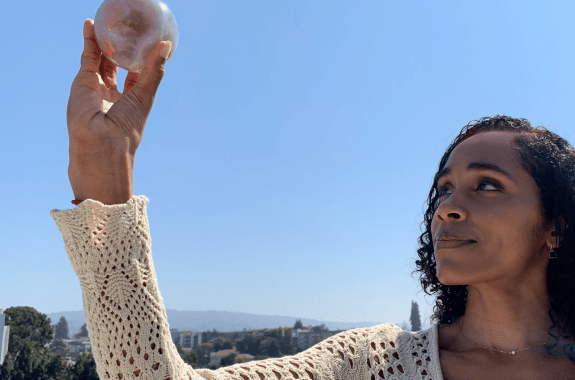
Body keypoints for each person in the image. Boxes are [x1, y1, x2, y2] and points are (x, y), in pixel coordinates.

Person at [49, 18, 575, 380]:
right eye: (442, 189)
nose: (447, 208)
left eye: (487, 184)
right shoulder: (374, 361)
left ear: (555, 224)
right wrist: (105, 185)